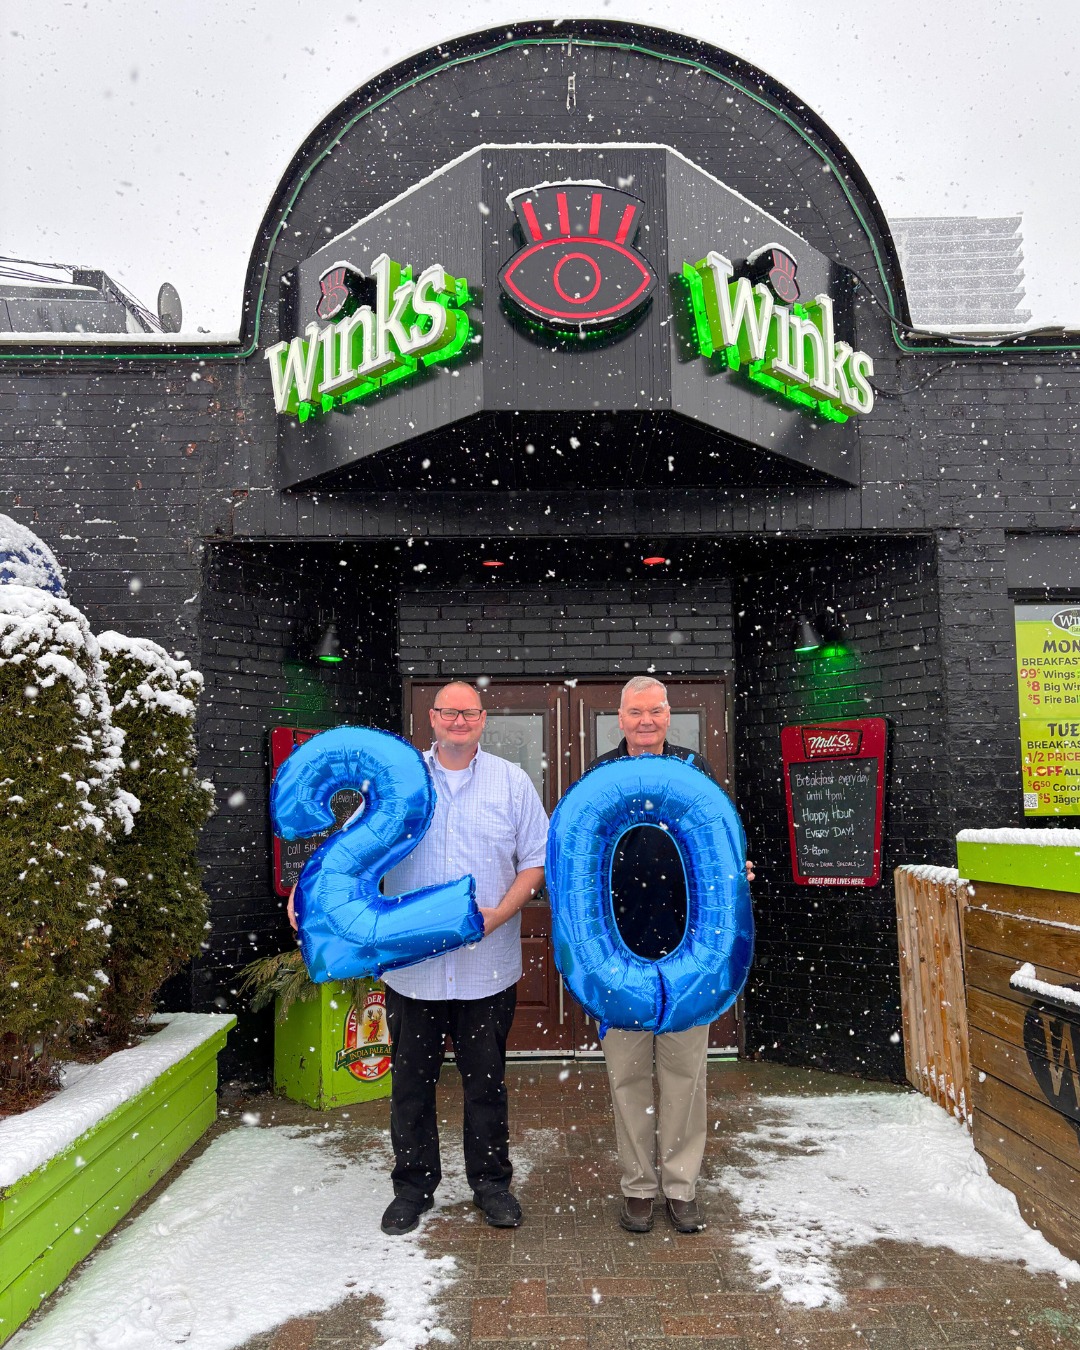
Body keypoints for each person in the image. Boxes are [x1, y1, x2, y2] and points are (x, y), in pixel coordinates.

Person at [290, 680, 547, 1236]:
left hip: (488, 967)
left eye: (469, 712)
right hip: (412, 972)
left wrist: (498, 914)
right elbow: (347, 860)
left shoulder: (512, 782)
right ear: (431, 718)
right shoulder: (395, 781)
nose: (459, 720)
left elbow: (536, 860)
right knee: (410, 1086)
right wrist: (305, 894)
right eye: (449, 711)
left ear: (484, 719)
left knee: (486, 1084)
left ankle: (491, 1184)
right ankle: (412, 1187)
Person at [587, 675, 751, 1236]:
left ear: (668, 714)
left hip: (690, 954)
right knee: (627, 1077)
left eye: (655, 711)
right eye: (636, 712)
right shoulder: (599, 777)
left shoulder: (694, 770)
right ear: (621, 718)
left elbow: (721, 842)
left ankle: (681, 1187)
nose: (646, 721)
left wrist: (737, 872)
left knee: (685, 1076)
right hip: (618, 953)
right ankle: (637, 1188)